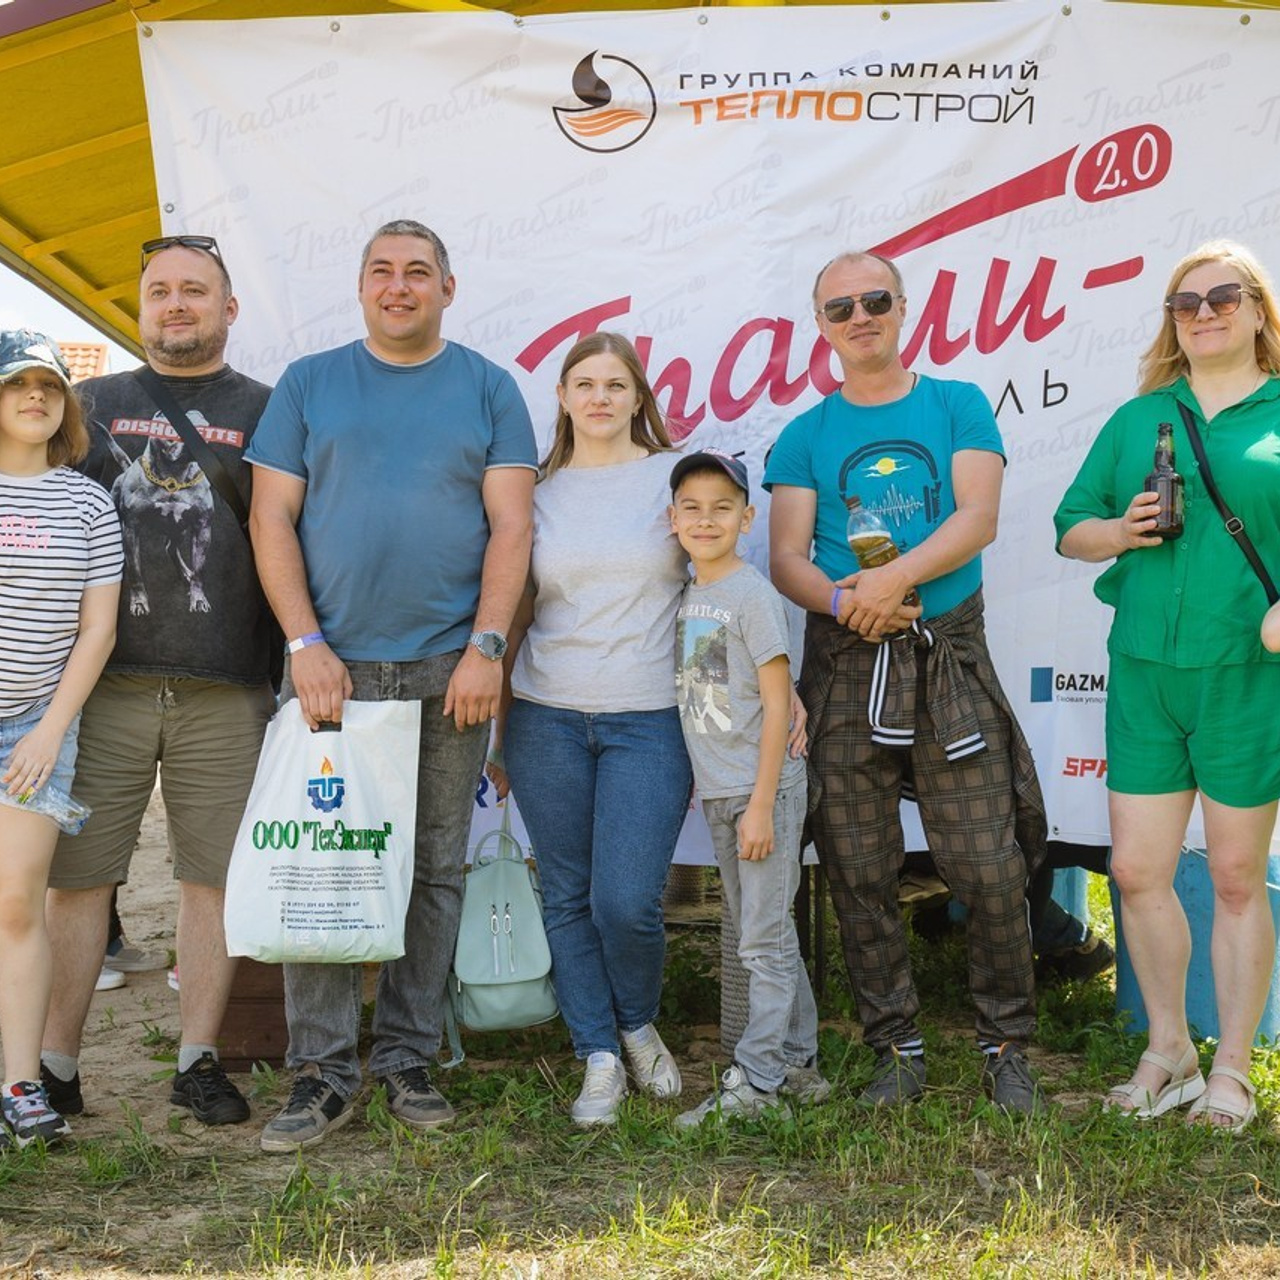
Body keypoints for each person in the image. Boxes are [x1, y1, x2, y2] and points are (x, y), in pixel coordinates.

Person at [248, 217, 536, 1152]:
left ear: (449, 287)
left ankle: (407, 1056)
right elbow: (270, 519)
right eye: (383, 272)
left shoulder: (489, 387)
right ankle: (322, 1073)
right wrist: (304, 642)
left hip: (452, 667)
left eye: (419, 272)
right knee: (321, 866)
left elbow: (512, 530)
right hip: (334, 668)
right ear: (361, 287)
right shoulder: (308, 384)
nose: (400, 286)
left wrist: (487, 649)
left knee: (435, 868)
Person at [765, 251, 1047, 1114]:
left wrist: (893, 584)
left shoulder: (956, 404)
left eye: (875, 299)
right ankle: (896, 1045)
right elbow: (784, 558)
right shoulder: (805, 434)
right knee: (858, 866)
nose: (861, 316)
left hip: (943, 653)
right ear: (821, 326)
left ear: (903, 308)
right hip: (848, 657)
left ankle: (1007, 1046)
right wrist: (855, 601)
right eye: (840, 306)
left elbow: (979, 516)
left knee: (987, 866)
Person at [41, 237, 276, 1128]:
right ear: (142, 307)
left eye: (195, 291)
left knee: (211, 882)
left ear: (228, 308)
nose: (177, 304)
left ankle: (198, 1060)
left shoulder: (268, 411)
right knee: (79, 882)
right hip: (104, 686)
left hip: (229, 686)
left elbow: (288, 538)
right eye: (161, 292)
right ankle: (56, 1066)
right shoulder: (90, 405)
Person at [1055, 239, 1280, 1133]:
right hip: (1145, 670)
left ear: (1259, 310)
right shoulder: (1140, 418)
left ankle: (1232, 1066)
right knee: (1138, 871)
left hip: (1245, 675)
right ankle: (1168, 1051)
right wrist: (1120, 528)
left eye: (1225, 297)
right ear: (1171, 325)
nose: (1206, 313)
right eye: (1186, 304)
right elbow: (1071, 529)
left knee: (1233, 876)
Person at [489, 332, 690, 1127]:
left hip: (650, 719)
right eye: (583, 383)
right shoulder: (533, 493)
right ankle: (598, 1055)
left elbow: (717, 588)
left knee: (627, 901)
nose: (600, 397)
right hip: (548, 717)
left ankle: (636, 1019)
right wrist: (501, 730)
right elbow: (514, 612)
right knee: (566, 895)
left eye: (615, 383)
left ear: (639, 396)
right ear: (564, 399)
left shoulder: (672, 480)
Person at [666, 449, 824, 1128]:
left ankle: (755, 1083)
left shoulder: (751, 594)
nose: (706, 520)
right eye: (692, 508)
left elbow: (777, 699)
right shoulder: (692, 592)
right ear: (672, 519)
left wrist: (762, 803)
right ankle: (796, 1064)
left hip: (761, 792)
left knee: (759, 941)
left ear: (747, 517)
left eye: (722, 508)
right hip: (725, 792)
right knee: (765, 933)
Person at [0, 331, 121, 1146]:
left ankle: (20, 1089)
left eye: (49, 385)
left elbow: (98, 631)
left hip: (36, 732)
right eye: (17, 385)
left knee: (16, 904)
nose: (35, 396)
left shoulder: (89, 502)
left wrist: (49, 729)